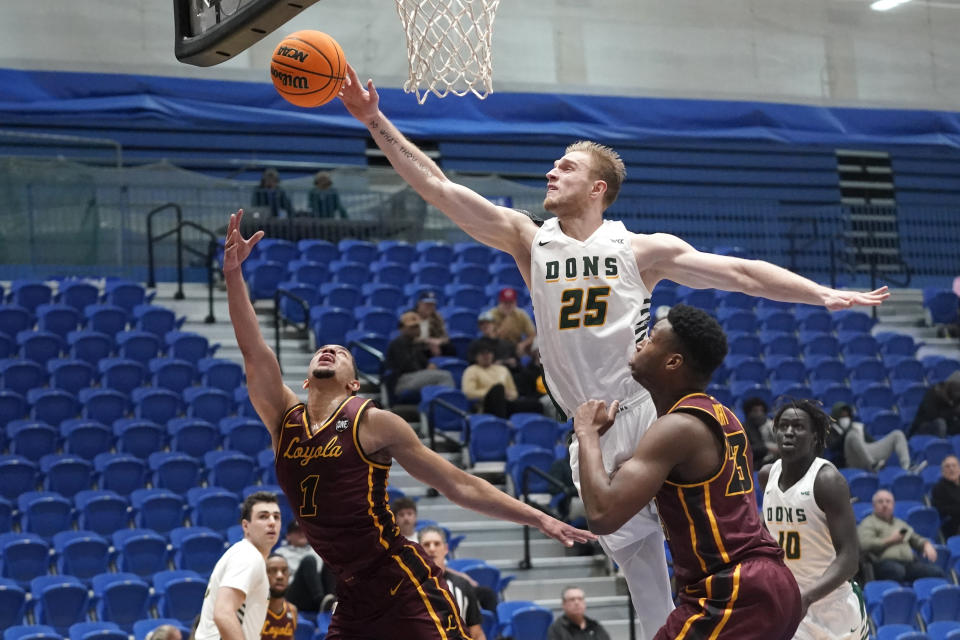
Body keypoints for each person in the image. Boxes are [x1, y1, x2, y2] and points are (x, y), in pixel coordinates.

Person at [338, 66, 887, 637]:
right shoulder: (529, 238)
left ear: (598, 188)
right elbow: (440, 189)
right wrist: (374, 119)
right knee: (646, 589)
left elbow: (741, 274)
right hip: (589, 432)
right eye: (555, 164)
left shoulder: (639, 248)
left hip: (645, 417)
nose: (551, 171)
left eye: (567, 166)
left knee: (718, 557)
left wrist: (819, 293)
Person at [223, 210, 593, 640]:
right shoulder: (282, 417)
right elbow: (253, 350)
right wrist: (233, 274)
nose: (329, 351)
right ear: (305, 379)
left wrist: (539, 518)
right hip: (351, 593)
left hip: (401, 580)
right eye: (322, 350)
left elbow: (459, 484)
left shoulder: (373, 422)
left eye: (340, 352)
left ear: (354, 381)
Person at [573, 305, 802, 639]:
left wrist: (586, 435)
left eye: (650, 340)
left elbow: (602, 514)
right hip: (767, 583)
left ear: (672, 362)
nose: (639, 345)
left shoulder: (677, 428)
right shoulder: (722, 416)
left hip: (735, 591)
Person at [759, 400, 868, 640]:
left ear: (815, 436)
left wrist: (807, 597)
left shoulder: (827, 481)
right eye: (783, 426)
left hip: (834, 606)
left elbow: (850, 559)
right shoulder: (768, 475)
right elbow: (769, 535)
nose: (788, 432)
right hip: (792, 603)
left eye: (798, 426)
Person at [194, 491, 281, 640]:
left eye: (276, 516)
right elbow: (223, 614)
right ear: (246, 526)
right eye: (263, 516)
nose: (272, 522)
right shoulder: (248, 556)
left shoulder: (245, 554)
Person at [857, 489, 945, 582]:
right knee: (897, 571)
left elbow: (915, 538)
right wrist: (890, 540)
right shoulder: (868, 523)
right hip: (882, 563)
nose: (885, 504)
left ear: (893, 505)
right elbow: (865, 544)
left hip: (908, 564)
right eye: (880, 501)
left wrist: (926, 544)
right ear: (874, 505)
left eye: (888, 501)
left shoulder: (900, 523)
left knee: (936, 572)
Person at [418, 525, 486, 640]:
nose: (432, 548)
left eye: (437, 543)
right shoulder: (409, 585)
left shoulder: (463, 585)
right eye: (426, 544)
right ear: (419, 550)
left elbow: (476, 633)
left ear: (446, 549)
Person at [461, 339, 542, 418]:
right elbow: (468, 392)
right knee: (498, 389)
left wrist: (509, 395)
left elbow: (514, 392)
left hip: (506, 402)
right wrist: (492, 392)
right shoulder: (471, 370)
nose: (486, 356)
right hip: (485, 405)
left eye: (489, 353)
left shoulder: (502, 369)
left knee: (536, 404)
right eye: (483, 354)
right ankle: (501, 424)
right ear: (476, 356)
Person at [831, 402, 918, 472]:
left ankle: (907, 468)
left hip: (866, 453)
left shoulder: (856, 427)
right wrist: (847, 432)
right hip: (852, 460)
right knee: (852, 435)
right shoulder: (831, 430)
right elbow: (833, 448)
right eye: (842, 417)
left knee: (897, 434)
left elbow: (872, 442)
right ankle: (873, 465)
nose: (845, 419)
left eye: (847, 416)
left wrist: (855, 430)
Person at [385, 311, 455, 396]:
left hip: (414, 377)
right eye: (412, 327)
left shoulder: (413, 343)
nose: (416, 330)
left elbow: (424, 362)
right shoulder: (398, 343)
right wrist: (427, 369)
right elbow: (407, 367)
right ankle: (445, 404)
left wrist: (430, 365)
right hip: (401, 381)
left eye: (417, 326)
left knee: (440, 374)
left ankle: (433, 405)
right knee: (445, 376)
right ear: (402, 328)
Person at [276, 521, 337, 613]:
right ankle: (321, 601)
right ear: (288, 536)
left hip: (316, 591)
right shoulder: (280, 553)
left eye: (303, 530)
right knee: (309, 560)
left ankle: (332, 602)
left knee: (329, 558)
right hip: (294, 595)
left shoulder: (317, 551)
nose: (301, 533)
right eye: (297, 531)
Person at [547, 586, 611, 640]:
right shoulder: (556, 629)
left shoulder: (595, 626)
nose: (577, 603)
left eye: (580, 599)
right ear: (564, 604)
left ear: (584, 603)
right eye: (572, 599)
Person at [488, 287, 536, 358]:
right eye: (505, 303)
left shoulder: (520, 314)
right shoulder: (491, 314)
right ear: (500, 302)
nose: (508, 305)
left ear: (515, 303)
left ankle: (535, 367)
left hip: (516, 347)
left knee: (537, 343)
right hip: (496, 347)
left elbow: (532, 334)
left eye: (511, 303)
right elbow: (491, 338)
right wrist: (507, 319)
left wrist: (523, 344)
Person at [261, 554, 297, 640]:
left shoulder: (292, 610)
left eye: (284, 571)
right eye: (273, 570)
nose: (280, 576)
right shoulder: (253, 609)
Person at [409, 290, 455, 357]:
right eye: (427, 304)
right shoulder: (410, 316)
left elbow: (444, 336)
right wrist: (428, 341)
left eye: (432, 305)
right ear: (419, 303)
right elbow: (407, 338)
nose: (430, 307)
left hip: (433, 344)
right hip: (417, 345)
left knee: (450, 348)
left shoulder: (437, 317)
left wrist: (439, 342)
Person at [742, 396, 778, 467]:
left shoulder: (766, 426)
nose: (759, 414)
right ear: (748, 413)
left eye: (761, 411)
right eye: (755, 411)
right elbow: (746, 450)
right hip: (753, 465)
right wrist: (767, 447)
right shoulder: (743, 428)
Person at [931, 454, 960, 538]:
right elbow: (941, 510)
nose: (951, 469)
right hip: (952, 525)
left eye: (954, 465)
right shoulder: (939, 488)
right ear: (943, 471)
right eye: (947, 466)